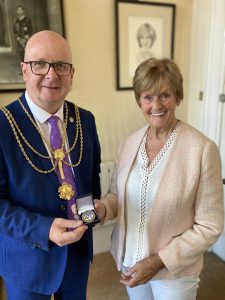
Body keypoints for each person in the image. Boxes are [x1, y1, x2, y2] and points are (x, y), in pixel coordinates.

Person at [95, 58, 224, 300]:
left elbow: (210, 225)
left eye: (164, 95)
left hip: (174, 271)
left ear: (177, 96)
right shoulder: (128, 144)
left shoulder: (202, 149)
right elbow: (117, 196)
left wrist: (157, 261)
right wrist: (103, 208)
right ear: (139, 101)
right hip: (130, 261)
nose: (156, 105)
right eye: (148, 97)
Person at [0, 30, 101, 300]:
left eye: (61, 66)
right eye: (40, 64)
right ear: (24, 70)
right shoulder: (2, 125)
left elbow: (91, 182)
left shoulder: (86, 120)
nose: (51, 74)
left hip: (76, 257)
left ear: (72, 73)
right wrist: (44, 229)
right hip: (27, 261)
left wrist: (90, 217)